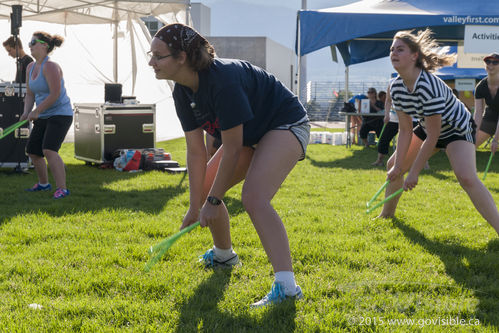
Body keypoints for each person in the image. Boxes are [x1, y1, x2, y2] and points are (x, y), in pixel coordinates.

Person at [148, 23, 310, 307]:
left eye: (158, 56)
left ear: (182, 58)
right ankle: (224, 256)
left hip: (285, 123)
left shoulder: (223, 80)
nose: (151, 62)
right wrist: (195, 204)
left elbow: (233, 148)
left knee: (254, 198)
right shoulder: (181, 92)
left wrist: (212, 201)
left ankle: (287, 287)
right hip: (251, 133)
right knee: (204, 192)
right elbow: (196, 152)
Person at [378, 29, 499, 236]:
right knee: (392, 166)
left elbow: (435, 137)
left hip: (457, 129)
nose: (393, 54)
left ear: (414, 55)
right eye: (391, 50)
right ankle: (386, 216)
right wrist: (400, 167)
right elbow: (405, 130)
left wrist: (414, 173)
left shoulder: (427, 86)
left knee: (467, 177)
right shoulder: (395, 87)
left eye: (400, 49)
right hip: (428, 128)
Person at [20, 31, 73, 199]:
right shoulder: (30, 67)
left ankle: (62, 189)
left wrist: (37, 110)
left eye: (33, 42)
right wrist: (26, 112)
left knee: (49, 150)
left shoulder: (51, 67)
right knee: (33, 151)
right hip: (44, 114)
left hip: (60, 114)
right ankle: (44, 185)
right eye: (29, 42)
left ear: (44, 45)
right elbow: (30, 94)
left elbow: (55, 94)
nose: (29, 45)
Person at [473, 53, 499, 152]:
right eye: (488, 62)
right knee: (470, 145)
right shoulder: (480, 86)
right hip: (490, 118)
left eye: (495, 62)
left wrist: (495, 139)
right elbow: (478, 113)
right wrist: (473, 134)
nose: (491, 65)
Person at [372, 87, 399, 166]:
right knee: (383, 140)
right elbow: (388, 101)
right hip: (393, 120)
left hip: (409, 119)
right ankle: (379, 160)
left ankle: (424, 163)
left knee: (416, 141)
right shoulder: (392, 83)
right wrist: (387, 115)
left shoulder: (412, 81)